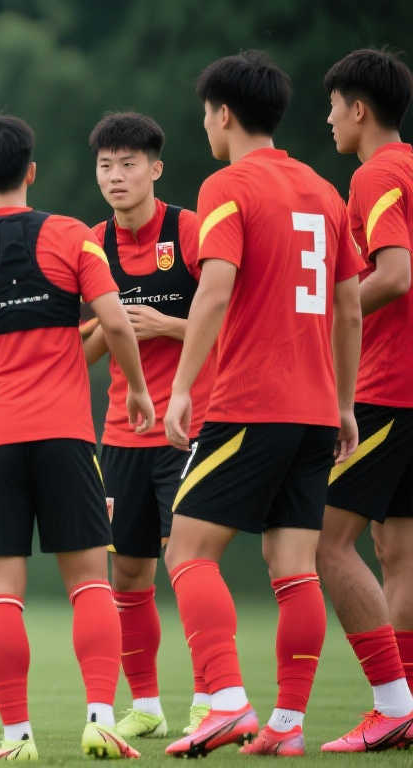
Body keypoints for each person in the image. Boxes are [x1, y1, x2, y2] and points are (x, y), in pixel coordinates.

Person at [0, 114, 155, 761]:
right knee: (91, 584)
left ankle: (17, 737)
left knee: (1, 593)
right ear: (32, 172)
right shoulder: (73, 236)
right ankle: (101, 719)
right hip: (67, 436)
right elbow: (115, 323)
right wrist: (137, 389)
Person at [161, 51, 364, 758]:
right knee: (293, 565)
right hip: (315, 411)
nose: (205, 126)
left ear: (223, 114)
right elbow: (348, 309)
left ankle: (225, 701)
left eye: (205, 115)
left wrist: (182, 386)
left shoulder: (227, 185)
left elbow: (215, 289)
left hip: (251, 403)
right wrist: (344, 404)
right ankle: (288, 723)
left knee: (187, 550)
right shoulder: (324, 191)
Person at [82, 112, 214, 739]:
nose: (116, 176)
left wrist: (168, 326)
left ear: (156, 169)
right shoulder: (92, 244)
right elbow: (83, 348)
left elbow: (236, 327)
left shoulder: (190, 231)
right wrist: (111, 329)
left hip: (190, 427)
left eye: (129, 164)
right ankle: (147, 706)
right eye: (106, 165)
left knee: (188, 563)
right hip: (121, 434)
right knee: (129, 574)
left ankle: (212, 699)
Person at [317, 48, 413, 753]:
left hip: (387, 388)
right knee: (396, 548)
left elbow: (395, 274)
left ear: (358, 109)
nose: (328, 121)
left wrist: (319, 319)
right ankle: (408, 708)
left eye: (332, 108)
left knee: (325, 541)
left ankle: (392, 704)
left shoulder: (375, 173)